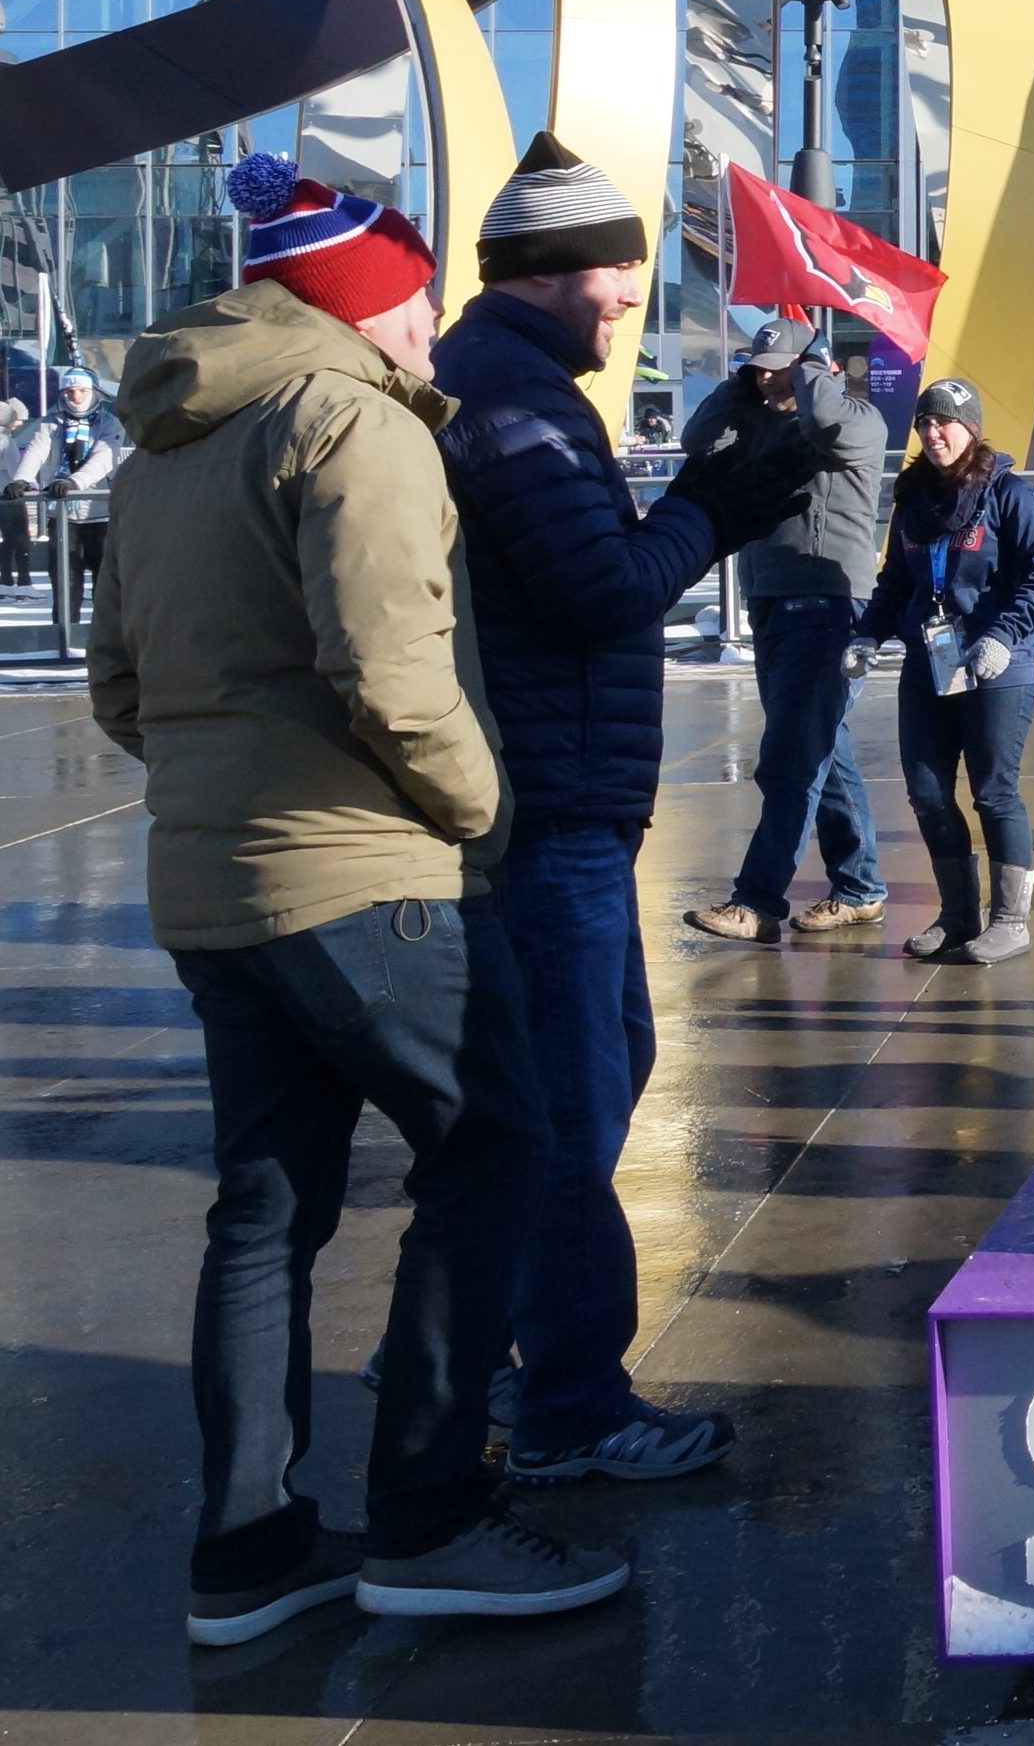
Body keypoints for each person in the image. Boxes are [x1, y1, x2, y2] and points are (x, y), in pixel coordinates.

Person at [89, 155, 629, 1637]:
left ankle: (248, 1548)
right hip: (366, 881)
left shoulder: (163, 445)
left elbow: (119, 685)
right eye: (411, 300)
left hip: (211, 890)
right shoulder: (357, 424)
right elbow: (391, 670)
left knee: (264, 1213)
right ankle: (431, 1516)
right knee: (493, 1154)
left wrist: (224, 784)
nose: (426, 330)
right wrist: (483, 810)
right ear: (368, 298)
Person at [431, 130, 818, 1487]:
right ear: (548, 273)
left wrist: (695, 501)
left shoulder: (511, 385)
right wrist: (707, 511)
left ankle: (471, 1346)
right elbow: (597, 590)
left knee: (596, 1080)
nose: (624, 303)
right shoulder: (518, 403)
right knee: (568, 1112)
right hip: (552, 813)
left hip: (560, 803)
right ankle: (567, 1404)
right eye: (613, 277)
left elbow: (579, 563)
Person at [680, 319, 894, 945]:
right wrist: (738, 388)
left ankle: (758, 900)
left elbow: (828, 421)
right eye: (758, 363)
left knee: (791, 759)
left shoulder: (856, 418)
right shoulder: (759, 419)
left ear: (815, 365)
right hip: (771, 602)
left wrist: (806, 373)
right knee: (824, 750)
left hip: (831, 607)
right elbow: (698, 440)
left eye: (779, 364)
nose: (765, 374)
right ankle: (860, 886)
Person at [851, 378, 1034, 963]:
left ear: (971, 426)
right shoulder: (913, 501)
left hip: (996, 662)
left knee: (994, 793)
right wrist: (868, 633)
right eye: (923, 423)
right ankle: (958, 915)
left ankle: (1010, 920)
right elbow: (896, 581)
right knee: (926, 792)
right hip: (930, 661)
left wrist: (1002, 635)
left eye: (943, 421)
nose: (932, 432)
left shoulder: (1007, 494)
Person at [6, 362, 122, 621]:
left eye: (81, 391)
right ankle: (64, 637)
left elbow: (104, 458)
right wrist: (21, 479)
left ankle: (106, 639)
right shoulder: (51, 422)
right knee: (65, 580)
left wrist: (74, 482)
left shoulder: (109, 423)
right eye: (70, 392)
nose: (76, 397)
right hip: (62, 516)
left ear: (93, 392)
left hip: (100, 516)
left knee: (106, 584)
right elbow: (37, 449)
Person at [0, 394, 27, 587]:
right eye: (18, 419)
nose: (20, 424)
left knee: (7, 541)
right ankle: (22, 580)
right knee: (18, 539)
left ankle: (6, 578)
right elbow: (15, 470)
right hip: (10, 497)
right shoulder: (6, 442)